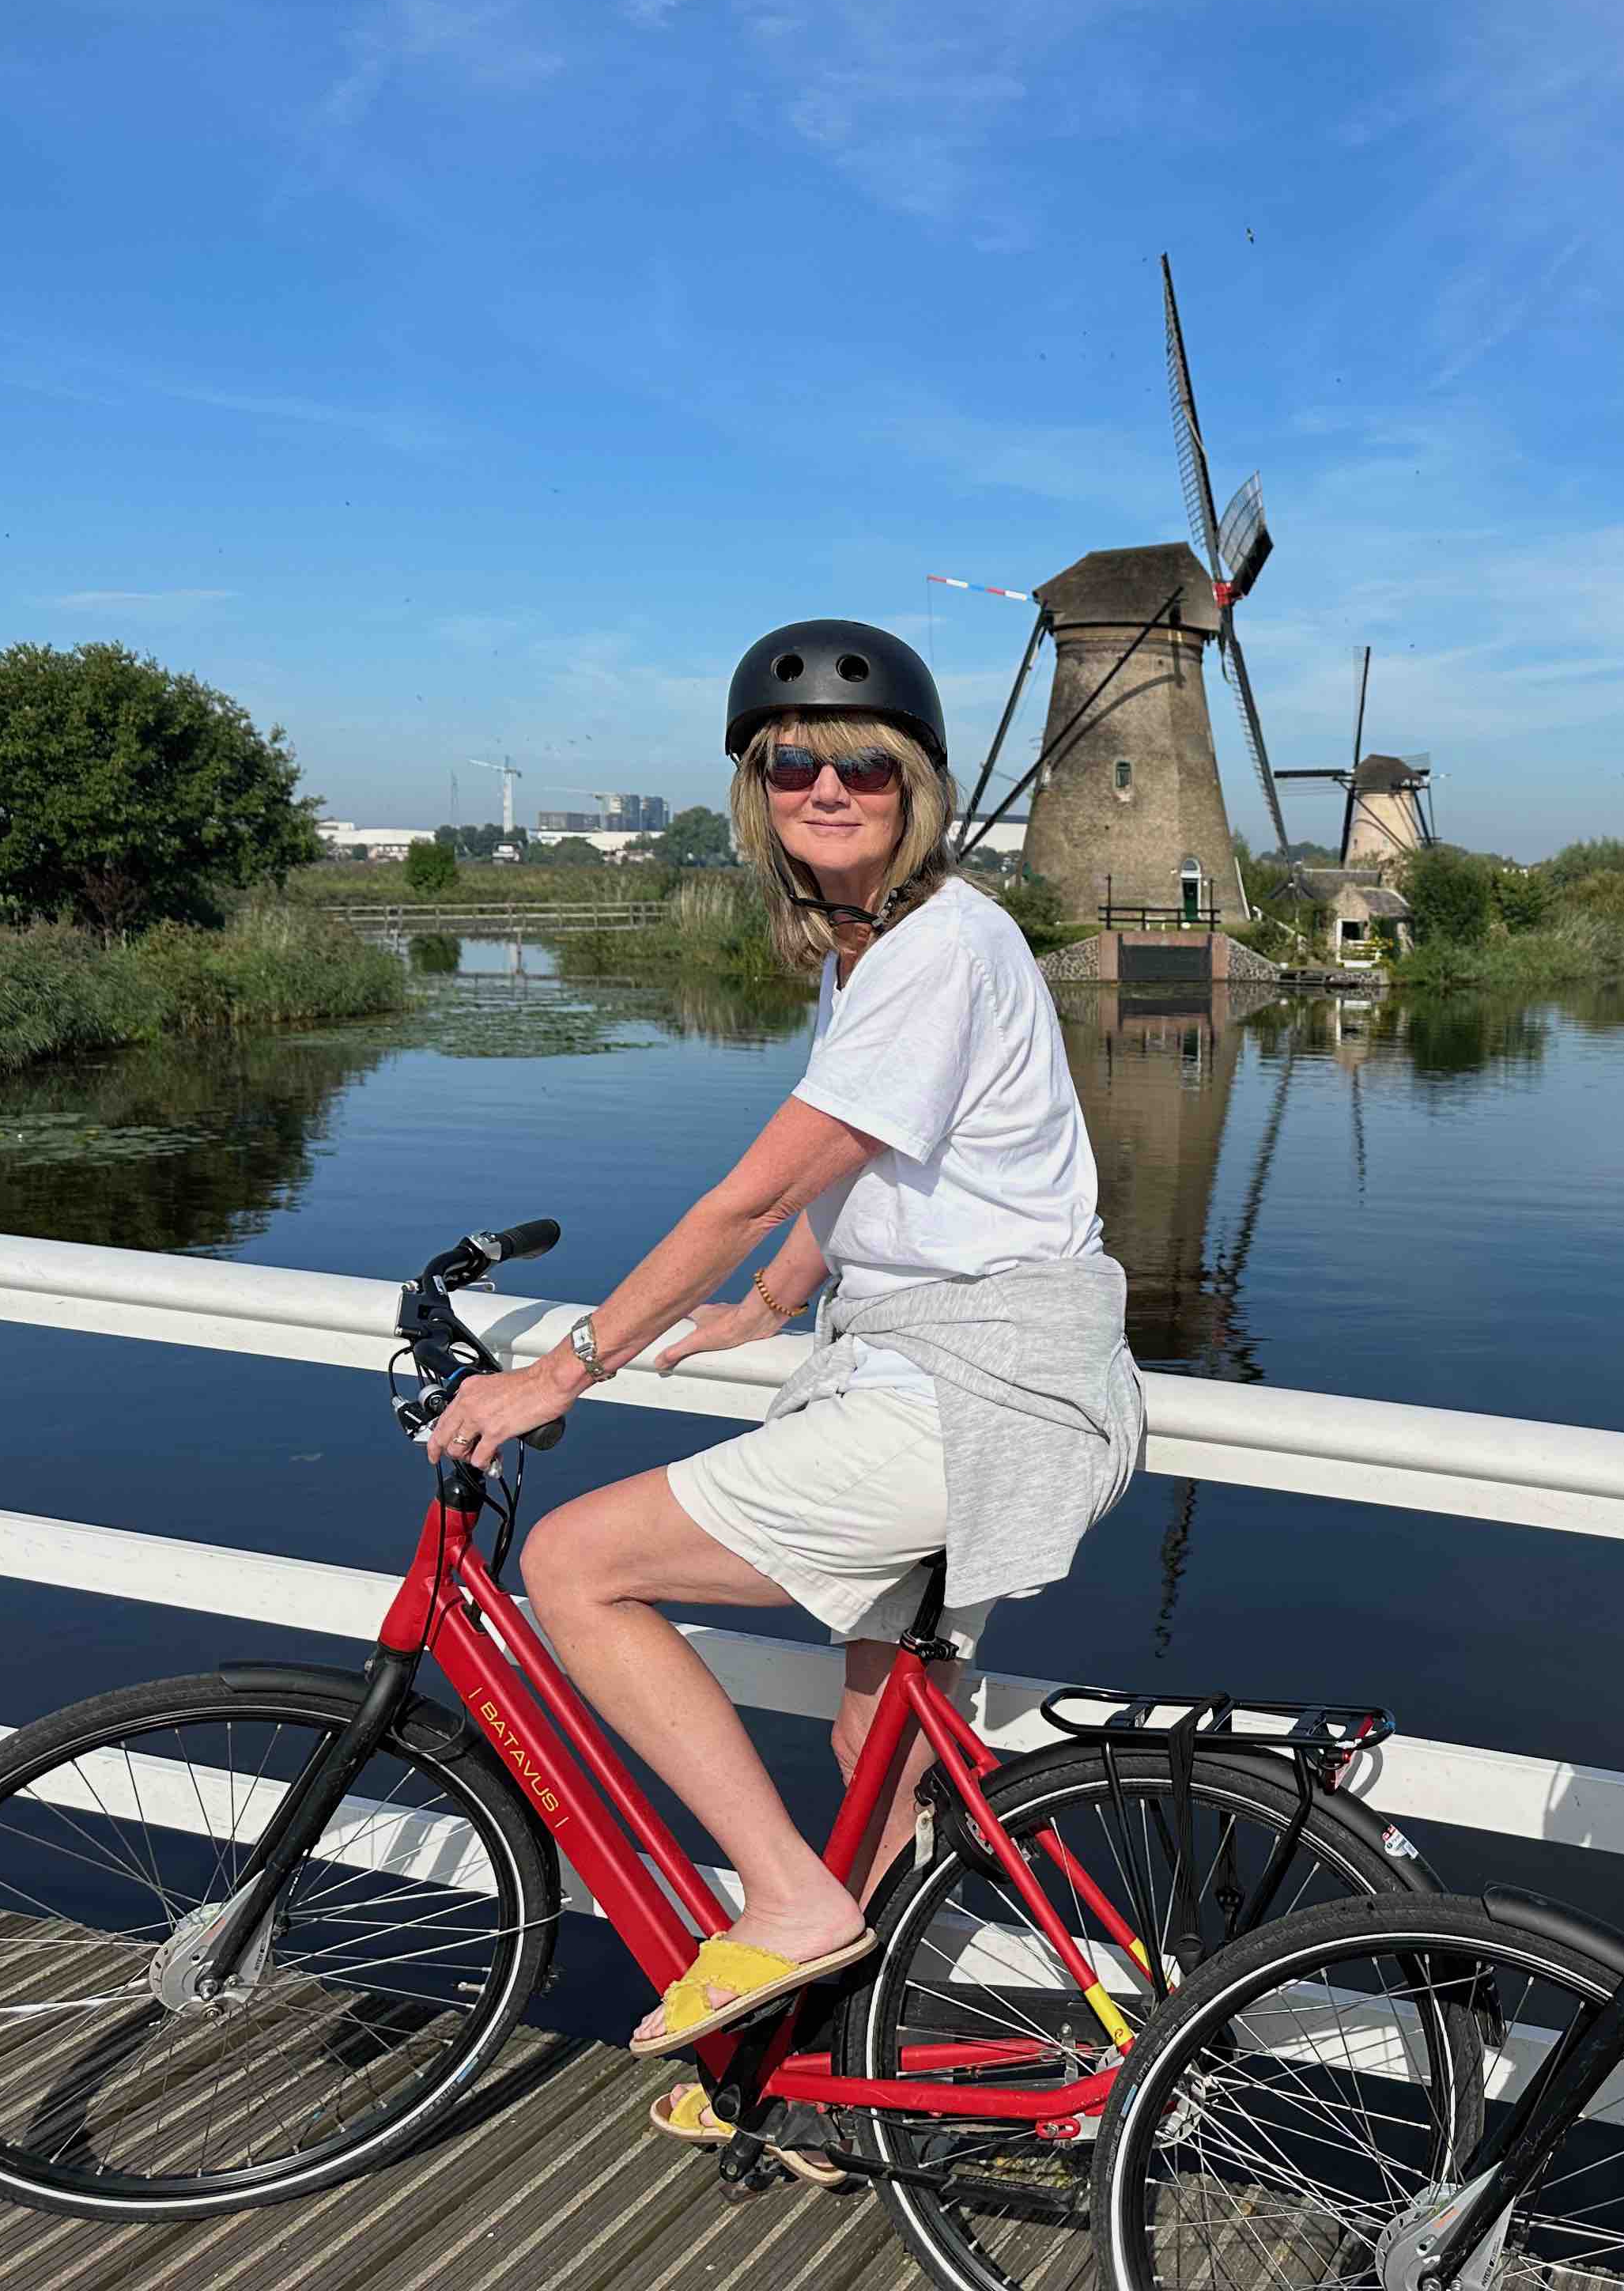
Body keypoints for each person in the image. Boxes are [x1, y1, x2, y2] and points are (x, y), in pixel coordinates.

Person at [425, 619, 1143, 2144]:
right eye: (794, 762)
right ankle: (846, 2081)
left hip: (976, 1393)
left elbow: (758, 1188)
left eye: (865, 766)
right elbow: (862, 1185)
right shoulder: (877, 949)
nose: (829, 785)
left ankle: (789, 1906)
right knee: (874, 1750)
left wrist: (572, 1366)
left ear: (919, 789)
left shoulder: (941, 946)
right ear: (761, 791)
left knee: (574, 1562)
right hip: (977, 1369)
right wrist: (769, 1305)